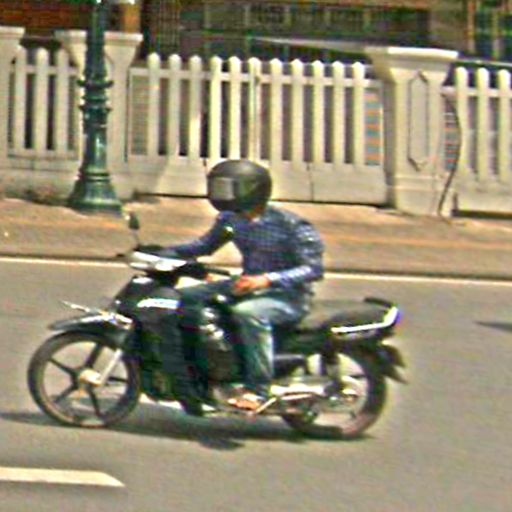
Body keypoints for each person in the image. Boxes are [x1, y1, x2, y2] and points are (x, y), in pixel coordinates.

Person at [160, 159, 325, 412]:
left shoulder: (291, 225)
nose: (223, 194)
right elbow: (203, 246)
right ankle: (204, 367)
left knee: (249, 314)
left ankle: (258, 390)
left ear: (254, 190)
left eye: (230, 188)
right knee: (180, 299)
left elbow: (313, 269)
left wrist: (266, 280)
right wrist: (161, 254)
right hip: (246, 285)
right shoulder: (231, 219)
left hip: (287, 296)